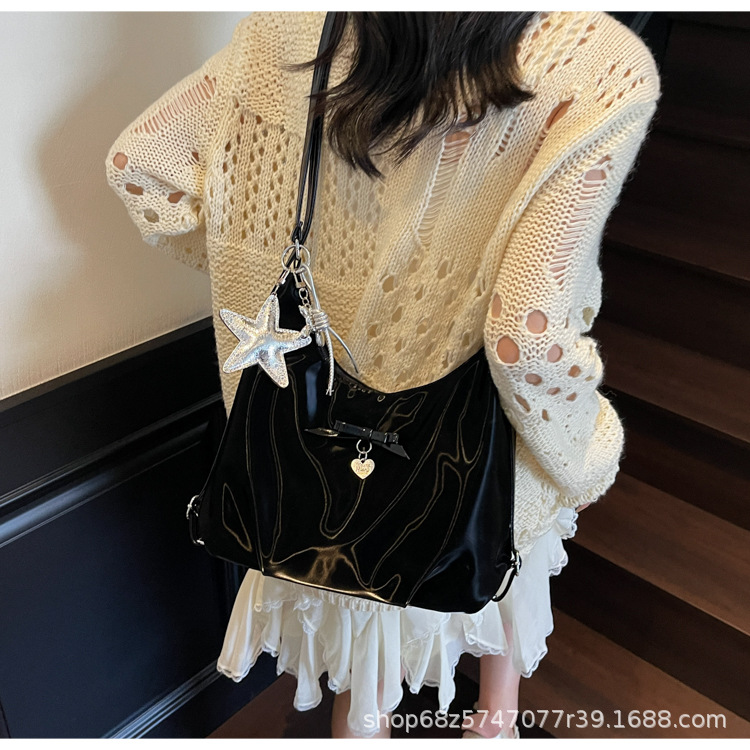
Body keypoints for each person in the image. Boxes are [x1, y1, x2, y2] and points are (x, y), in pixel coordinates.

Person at [105, 11, 661, 739]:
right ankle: (494, 725)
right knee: (506, 567)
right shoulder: (599, 64)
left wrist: (275, 285)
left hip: (312, 446)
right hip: (484, 438)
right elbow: (524, 340)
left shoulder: (293, 29)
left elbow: (141, 164)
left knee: (366, 679)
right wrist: (587, 449)